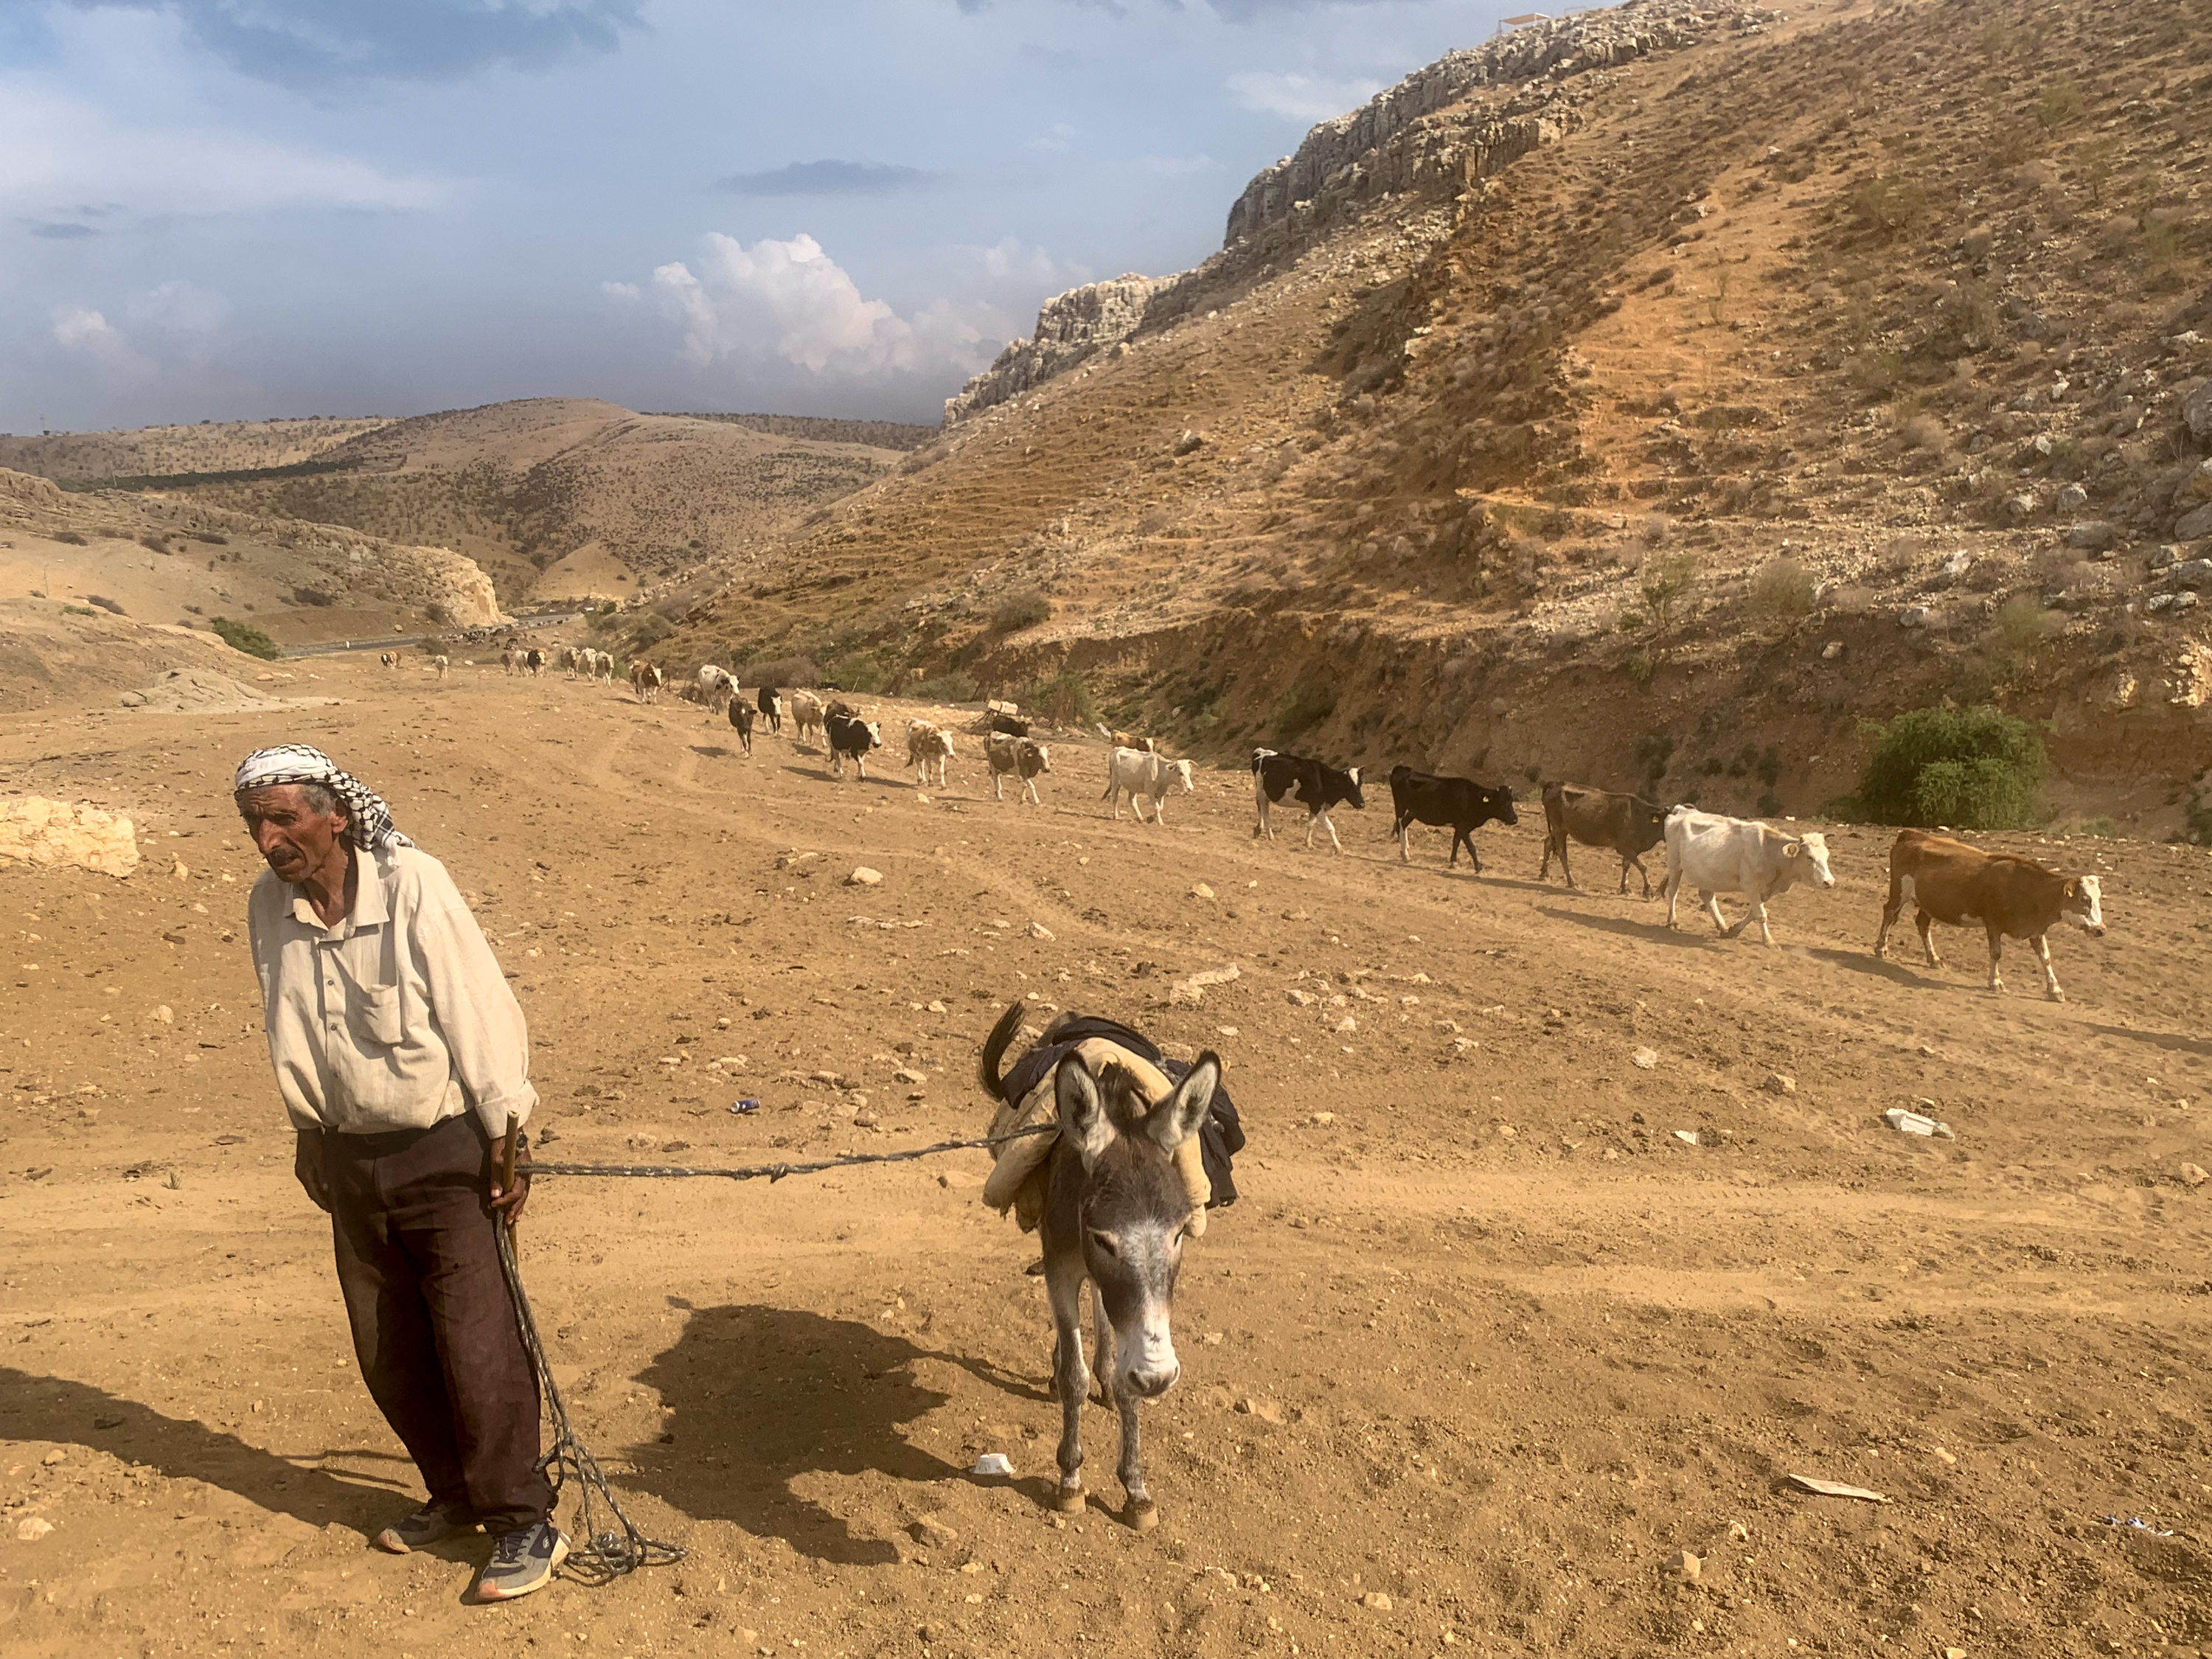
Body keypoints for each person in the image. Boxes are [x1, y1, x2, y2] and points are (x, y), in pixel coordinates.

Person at [232, 743, 565, 1603]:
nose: (268, 841)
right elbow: (286, 1026)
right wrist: (308, 1132)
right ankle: (452, 1496)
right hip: (347, 1157)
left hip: (446, 1150)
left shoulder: (413, 884)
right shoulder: (268, 906)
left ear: (337, 815)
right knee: (387, 1348)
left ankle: (523, 1519)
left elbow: (477, 1008)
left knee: (478, 1345)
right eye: (255, 824)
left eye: (284, 820)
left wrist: (507, 1133)